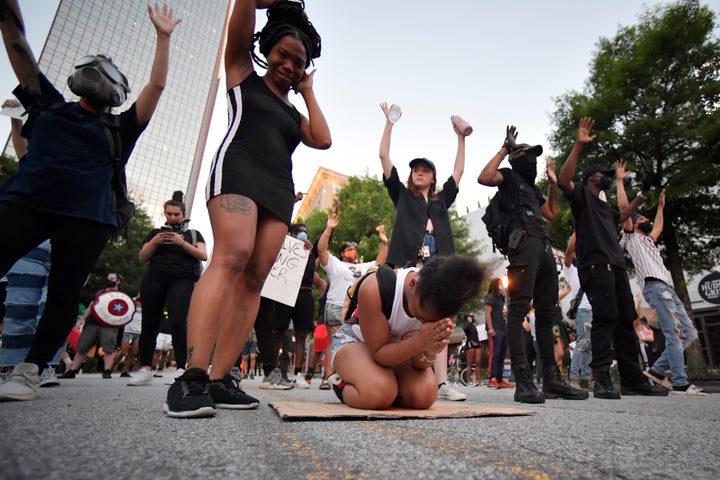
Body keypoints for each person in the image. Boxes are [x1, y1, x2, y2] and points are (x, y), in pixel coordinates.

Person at [0, 1, 181, 401]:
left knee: (64, 293)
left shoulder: (121, 127)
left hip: (86, 219)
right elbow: (16, 43)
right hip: (25, 203)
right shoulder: (46, 103)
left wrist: (163, 39)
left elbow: (157, 88)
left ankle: (28, 371)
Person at [164, 0, 330, 418]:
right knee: (232, 256)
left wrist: (308, 91)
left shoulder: (295, 111)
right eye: (284, 55)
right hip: (238, 170)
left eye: (299, 61)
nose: (290, 65)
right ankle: (192, 376)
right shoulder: (242, 76)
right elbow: (239, 29)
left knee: (256, 278)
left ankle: (221, 378)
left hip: (277, 188)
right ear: (268, 49)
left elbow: (323, 139)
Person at [557, 117, 668, 399]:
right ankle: (602, 377)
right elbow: (563, 180)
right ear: (589, 179)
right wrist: (578, 145)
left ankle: (632, 379)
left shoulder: (606, 209)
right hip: (595, 266)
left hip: (617, 267)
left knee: (625, 321)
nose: (605, 177)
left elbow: (625, 213)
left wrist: (642, 193)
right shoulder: (581, 197)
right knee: (606, 319)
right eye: (601, 175)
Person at [477, 126, 587, 404]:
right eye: (527, 155)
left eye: (534, 157)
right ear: (516, 159)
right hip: (523, 245)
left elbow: (551, 213)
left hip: (544, 246)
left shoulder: (533, 187)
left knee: (548, 313)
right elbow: (484, 177)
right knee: (517, 310)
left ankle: (551, 380)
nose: (533, 161)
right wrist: (504, 149)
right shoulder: (510, 177)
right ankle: (523, 381)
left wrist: (551, 183)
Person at [378, 102, 472, 402]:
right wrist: (390, 123)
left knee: (440, 321)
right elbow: (384, 157)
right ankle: (394, 371)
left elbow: (459, 171)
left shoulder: (441, 202)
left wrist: (461, 138)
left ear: (432, 178)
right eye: (415, 169)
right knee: (404, 321)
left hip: (438, 269)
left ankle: (442, 383)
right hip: (406, 268)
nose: (419, 172)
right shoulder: (403, 197)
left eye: (425, 170)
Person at [330, 255, 486, 410]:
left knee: (424, 395)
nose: (423, 322)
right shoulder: (375, 288)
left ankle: (386, 387)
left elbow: (420, 364)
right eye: (420, 315)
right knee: (378, 392)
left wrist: (431, 351)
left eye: (430, 321)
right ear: (413, 284)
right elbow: (380, 353)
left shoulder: (442, 304)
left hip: (397, 350)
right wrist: (420, 341)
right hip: (357, 342)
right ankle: (342, 384)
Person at [615, 161, 706, 395]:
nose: (645, 219)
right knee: (673, 333)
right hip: (656, 288)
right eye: (641, 216)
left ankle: (656, 371)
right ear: (634, 222)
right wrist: (620, 181)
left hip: (668, 288)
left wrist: (661, 208)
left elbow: (658, 228)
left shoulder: (648, 239)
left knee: (688, 333)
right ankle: (679, 381)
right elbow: (624, 207)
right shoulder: (631, 237)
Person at [128, 192, 207, 386]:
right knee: (149, 322)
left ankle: (181, 366)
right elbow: (142, 257)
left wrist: (182, 243)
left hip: (182, 280)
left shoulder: (193, 234)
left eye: (176, 214)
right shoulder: (155, 233)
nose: (172, 218)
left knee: (178, 320)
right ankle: (145, 367)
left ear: (183, 214)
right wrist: (155, 241)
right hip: (154, 279)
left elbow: (203, 255)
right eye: (169, 214)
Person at [318, 210, 388, 389]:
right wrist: (329, 229)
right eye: (349, 249)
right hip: (335, 305)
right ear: (342, 253)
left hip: (354, 310)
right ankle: (329, 377)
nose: (353, 251)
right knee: (334, 341)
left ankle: (346, 377)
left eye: (354, 249)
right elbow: (321, 250)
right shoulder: (335, 264)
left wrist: (384, 242)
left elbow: (379, 263)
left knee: (353, 344)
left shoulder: (364, 267)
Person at [60, 273, 126, 380]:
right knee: (83, 346)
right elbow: (91, 305)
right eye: (108, 277)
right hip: (92, 322)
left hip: (109, 324)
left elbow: (124, 310)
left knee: (109, 346)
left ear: (118, 281)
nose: (109, 279)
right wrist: (83, 319)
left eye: (112, 278)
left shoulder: (122, 296)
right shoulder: (99, 292)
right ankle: (73, 370)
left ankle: (107, 370)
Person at [562, 233, 593, 391]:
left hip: (593, 309)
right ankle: (574, 377)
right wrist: (577, 231)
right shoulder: (570, 270)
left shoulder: (588, 269)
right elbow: (568, 252)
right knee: (582, 343)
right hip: (583, 310)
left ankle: (586, 379)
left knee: (588, 345)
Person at [485, 278, 512, 389]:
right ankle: (492, 378)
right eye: (500, 284)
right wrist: (490, 328)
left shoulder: (501, 298)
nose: (502, 286)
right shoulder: (490, 297)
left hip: (503, 328)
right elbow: (487, 313)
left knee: (502, 354)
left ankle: (500, 379)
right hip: (495, 329)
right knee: (495, 354)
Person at [112, 295, 142, 378]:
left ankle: (125, 371)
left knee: (133, 353)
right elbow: (126, 302)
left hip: (139, 332)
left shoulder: (147, 304)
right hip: (128, 331)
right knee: (123, 352)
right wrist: (136, 297)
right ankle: (110, 369)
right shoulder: (131, 304)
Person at [462, 314, 483, 386]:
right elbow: (465, 329)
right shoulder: (466, 325)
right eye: (470, 317)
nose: (471, 318)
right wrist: (468, 322)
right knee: (470, 363)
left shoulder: (474, 325)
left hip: (477, 343)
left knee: (478, 362)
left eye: (472, 317)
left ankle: (479, 381)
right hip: (470, 343)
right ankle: (469, 381)